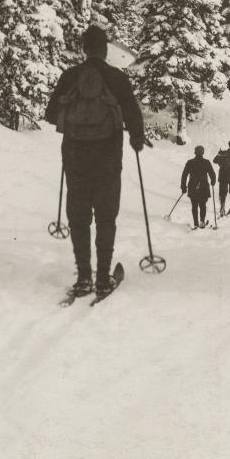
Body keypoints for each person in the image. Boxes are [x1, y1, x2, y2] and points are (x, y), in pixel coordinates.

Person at [46, 25, 145, 298]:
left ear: (83, 48)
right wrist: (136, 138)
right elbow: (133, 114)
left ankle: (83, 278)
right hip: (108, 159)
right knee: (105, 217)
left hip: (75, 158)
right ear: (104, 50)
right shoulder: (116, 78)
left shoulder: (71, 76)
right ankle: (103, 278)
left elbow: (51, 114)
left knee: (78, 217)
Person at [181, 146, 216, 228]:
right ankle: (202, 221)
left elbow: (184, 175)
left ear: (195, 152)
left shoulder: (190, 162)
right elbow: (212, 174)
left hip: (193, 186)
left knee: (194, 205)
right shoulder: (206, 162)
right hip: (203, 187)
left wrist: (183, 186)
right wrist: (213, 181)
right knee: (202, 205)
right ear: (203, 153)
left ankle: (196, 223)